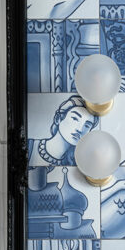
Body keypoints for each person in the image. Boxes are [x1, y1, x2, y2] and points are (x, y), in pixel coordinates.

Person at [28, 95, 98, 238]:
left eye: (87, 125)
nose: (80, 128)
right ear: (59, 118)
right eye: (75, 118)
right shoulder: (29, 148)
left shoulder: (76, 165)